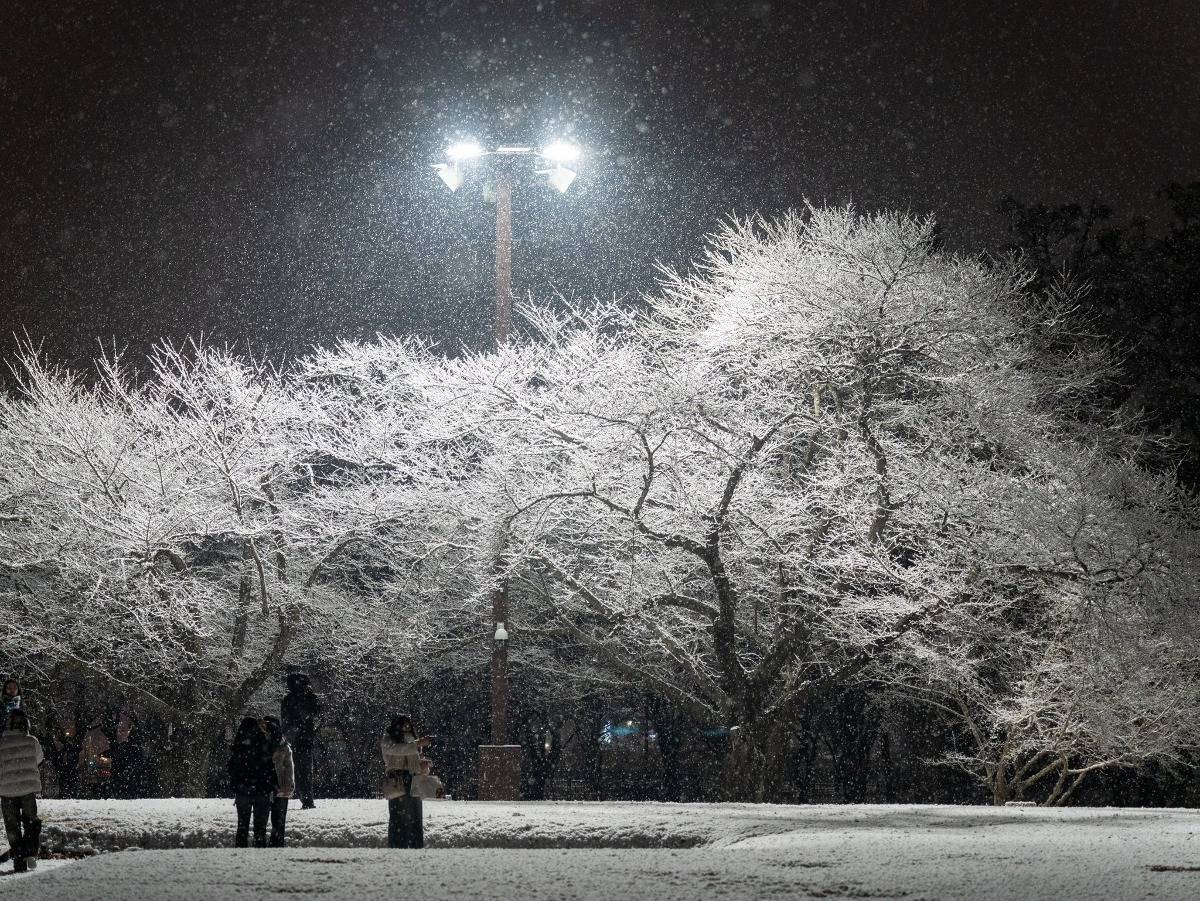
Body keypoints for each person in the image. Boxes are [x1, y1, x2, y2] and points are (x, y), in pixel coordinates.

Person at [0, 710, 44, 873]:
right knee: (31, 822)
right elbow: (39, 759)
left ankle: (19, 860)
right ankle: (29, 852)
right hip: (28, 790)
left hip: (6, 791)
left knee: (12, 827)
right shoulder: (32, 741)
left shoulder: (1, 742)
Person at [381, 714, 432, 849]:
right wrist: (417, 744)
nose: (406, 729)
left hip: (413, 780)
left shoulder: (411, 742)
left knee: (415, 816)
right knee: (399, 816)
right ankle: (399, 845)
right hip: (397, 781)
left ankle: (415, 845)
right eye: (404, 726)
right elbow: (399, 749)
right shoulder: (388, 739)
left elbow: (413, 760)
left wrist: (423, 766)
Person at [227, 716, 276, 848]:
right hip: (262, 789)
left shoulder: (239, 745)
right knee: (260, 829)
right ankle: (259, 854)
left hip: (243, 790)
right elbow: (270, 767)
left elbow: (231, 769)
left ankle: (241, 853)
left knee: (242, 827)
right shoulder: (263, 742)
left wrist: (236, 784)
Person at [280, 672, 321, 809]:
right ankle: (307, 798)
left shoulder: (289, 699)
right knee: (304, 770)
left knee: (295, 770)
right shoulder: (308, 697)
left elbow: (285, 719)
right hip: (304, 739)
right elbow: (316, 713)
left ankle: (300, 795)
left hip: (295, 739)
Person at [262, 716, 294, 847]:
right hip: (278, 786)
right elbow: (289, 768)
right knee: (278, 821)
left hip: (269, 786)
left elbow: (289, 768)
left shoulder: (263, 743)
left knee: (267, 820)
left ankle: (269, 844)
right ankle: (276, 844)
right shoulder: (284, 745)